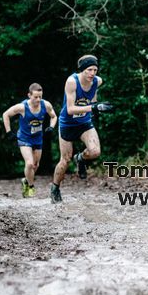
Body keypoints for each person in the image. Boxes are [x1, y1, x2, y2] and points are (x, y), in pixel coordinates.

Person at [50, 55, 113, 203]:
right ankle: (55, 187)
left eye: (95, 70)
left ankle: (81, 158)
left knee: (95, 151)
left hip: (84, 122)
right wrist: (93, 107)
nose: (92, 73)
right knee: (65, 160)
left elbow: (93, 100)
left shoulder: (97, 81)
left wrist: (98, 108)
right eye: (89, 70)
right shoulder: (72, 82)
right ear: (82, 70)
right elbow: (71, 109)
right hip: (68, 123)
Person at [3, 83, 57, 197]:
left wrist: (51, 127)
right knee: (29, 163)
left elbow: (54, 116)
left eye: (40, 97)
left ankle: (26, 181)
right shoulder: (22, 107)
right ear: (29, 95)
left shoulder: (46, 105)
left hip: (37, 138)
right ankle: (31, 187)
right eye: (35, 97)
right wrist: (8, 132)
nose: (38, 100)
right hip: (24, 138)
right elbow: (5, 114)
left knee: (36, 165)